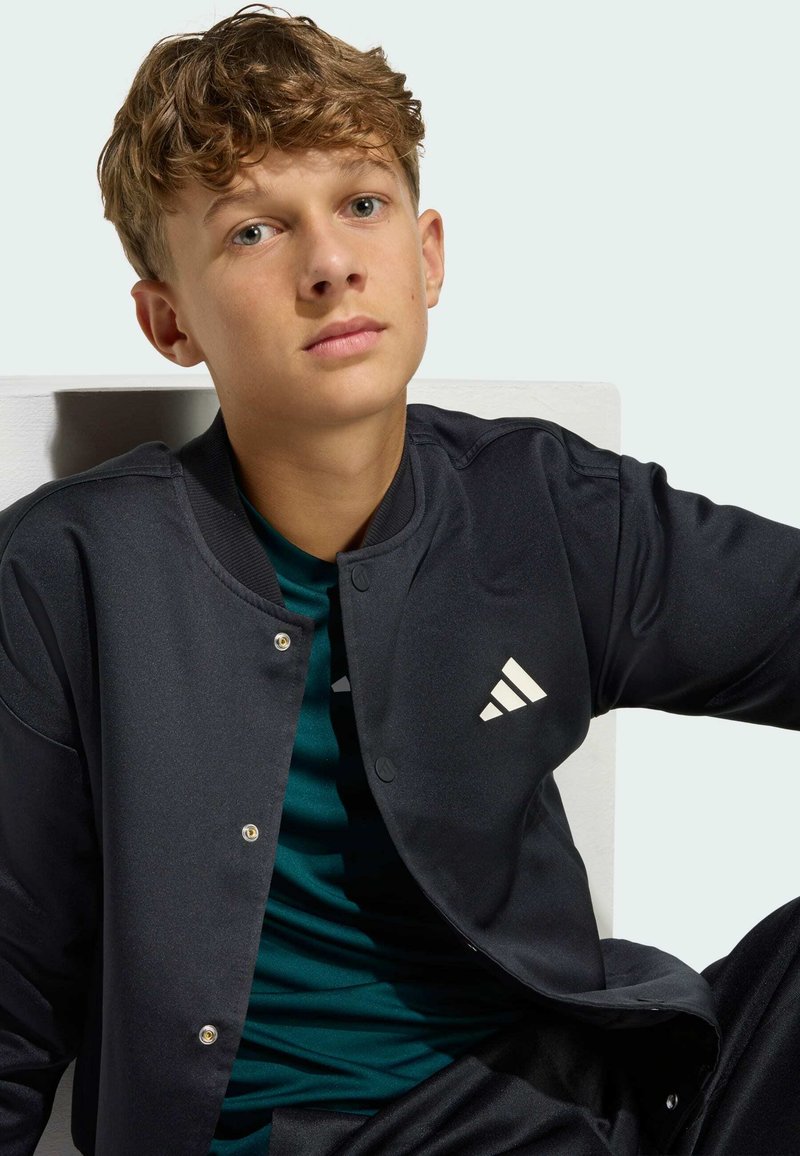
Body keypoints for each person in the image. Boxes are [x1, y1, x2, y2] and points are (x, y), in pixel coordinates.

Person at [1, 6, 799, 1154]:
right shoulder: (68, 571)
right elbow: (10, 977)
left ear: (427, 256)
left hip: (585, 1112)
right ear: (168, 319)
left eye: (361, 204)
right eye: (253, 231)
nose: (329, 264)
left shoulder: (545, 505)